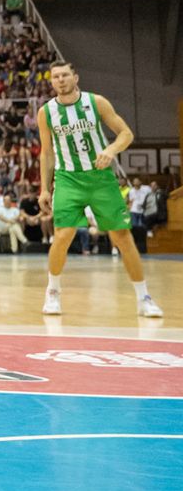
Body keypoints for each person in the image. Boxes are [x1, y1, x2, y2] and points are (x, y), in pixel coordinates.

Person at [38, 62, 161, 318]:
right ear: (52, 82)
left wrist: (110, 150)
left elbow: (125, 134)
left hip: (101, 179)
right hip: (67, 178)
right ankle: (53, 292)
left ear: (75, 77)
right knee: (63, 235)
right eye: (55, 77)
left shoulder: (96, 102)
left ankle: (144, 298)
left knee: (122, 237)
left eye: (65, 75)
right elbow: (47, 152)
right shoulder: (46, 112)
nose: (60, 80)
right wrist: (44, 188)